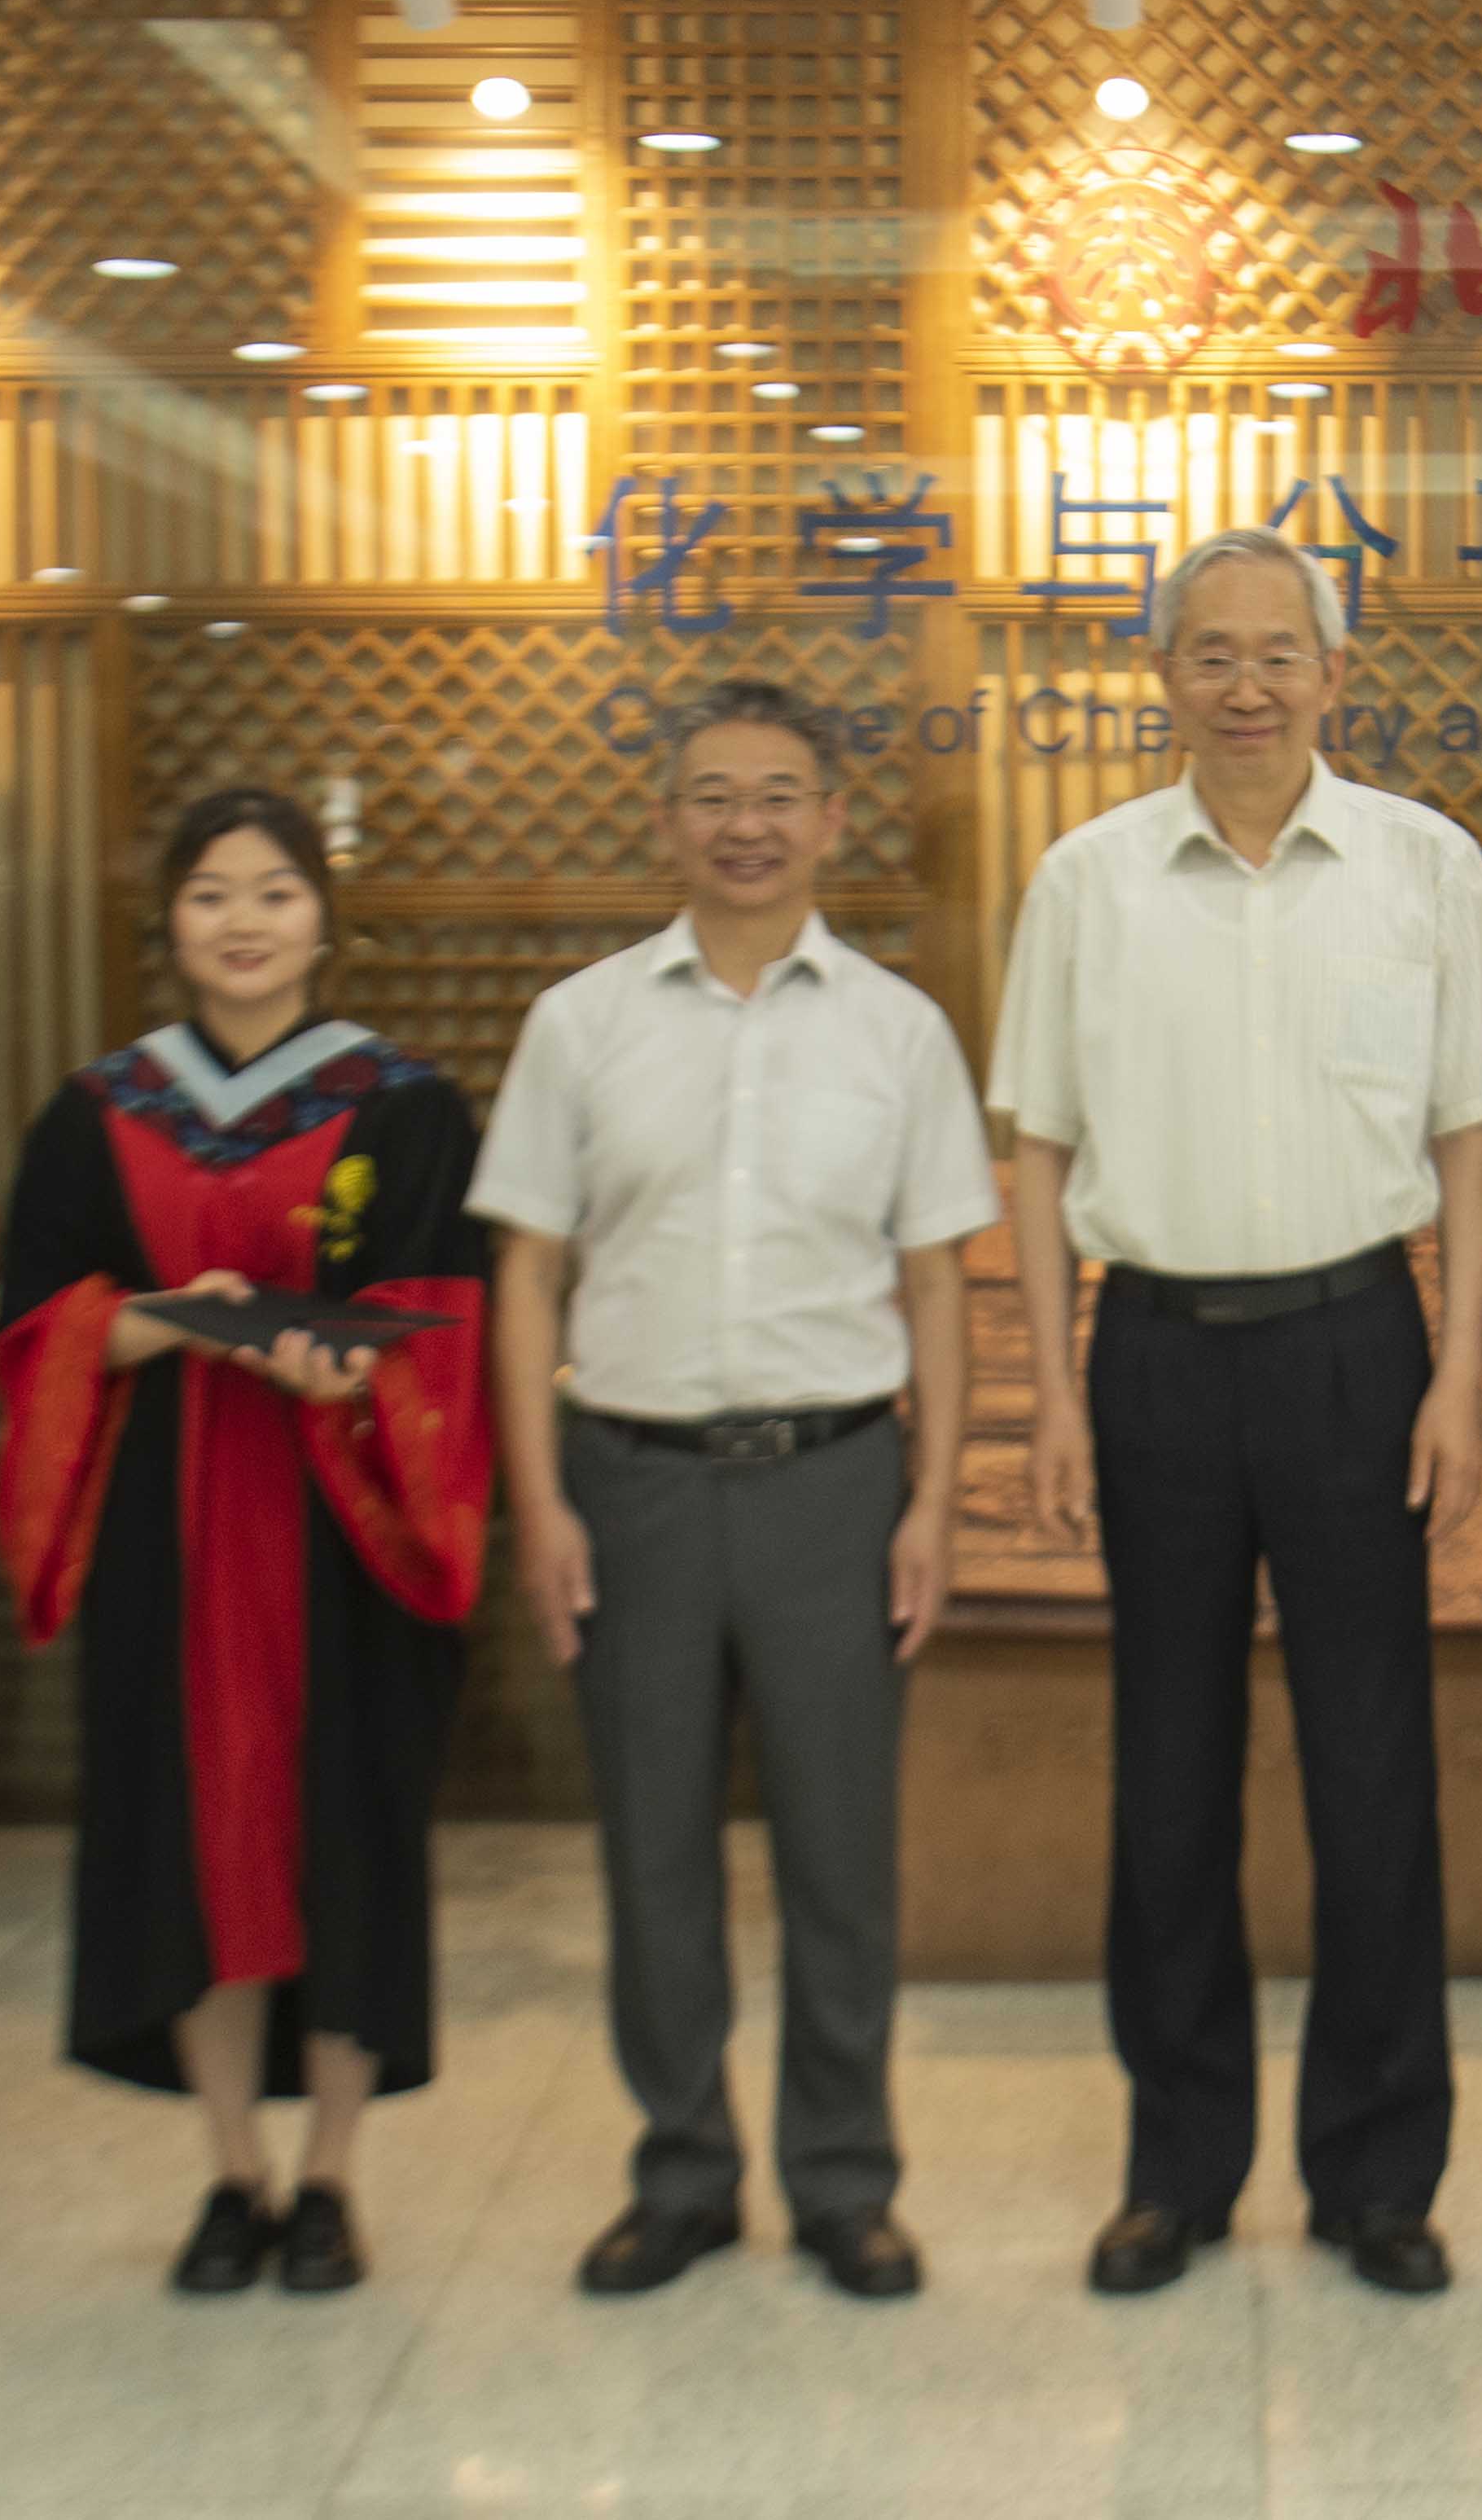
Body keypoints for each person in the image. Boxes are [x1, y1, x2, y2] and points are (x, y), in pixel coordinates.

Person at [992, 526, 1482, 2298]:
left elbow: (1470, 1139)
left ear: (1333, 673)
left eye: (1277, 652)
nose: (1244, 685)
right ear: (1162, 675)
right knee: (1169, 1770)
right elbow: (1037, 1144)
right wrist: (1053, 1395)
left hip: (1357, 1344)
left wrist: (1459, 1380)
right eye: (1209, 653)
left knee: (1373, 1767)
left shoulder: (1423, 866)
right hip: (1150, 1349)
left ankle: (1378, 2173)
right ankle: (1178, 2168)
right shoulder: (1087, 879)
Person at [481, 682, 995, 2303]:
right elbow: (526, 1273)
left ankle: (844, 2180)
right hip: (630, 1480)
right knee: (653, 1848)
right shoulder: (581, 1024)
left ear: (832, 822)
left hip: (834, 1482)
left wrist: (934, 1501)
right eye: (713, 794)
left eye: (779, 794)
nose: (746, 824)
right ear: (666, 822)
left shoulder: (897, 1030)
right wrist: (540, 1504)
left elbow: (937, 1283)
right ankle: (683, 2171)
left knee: (840, 1852)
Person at [0, 790, 491, 2297]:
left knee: (345, 1834)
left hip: (344, 1533)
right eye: (212, 893)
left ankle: (329, 2174)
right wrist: (167, 1320)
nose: (245, 922)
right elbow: (31, 1327)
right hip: (166, 1530)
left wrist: (356, 1382)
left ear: (324, 918)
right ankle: (231, 2172)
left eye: (275, 891)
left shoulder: (403, 1105)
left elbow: (446, 1326)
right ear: (171, 920)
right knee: (183, 1838)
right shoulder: (99, 1111)